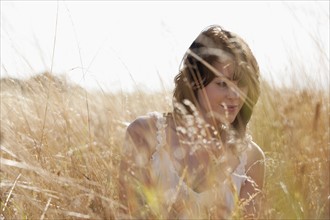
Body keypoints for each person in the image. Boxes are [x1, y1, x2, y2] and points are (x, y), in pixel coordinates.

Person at [118, 25, 265, 219]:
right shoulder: (145, 133)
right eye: (222, 84)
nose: (235, 96)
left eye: (242, 85)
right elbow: (127, 213)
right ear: (195, 82)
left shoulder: (251, 158)